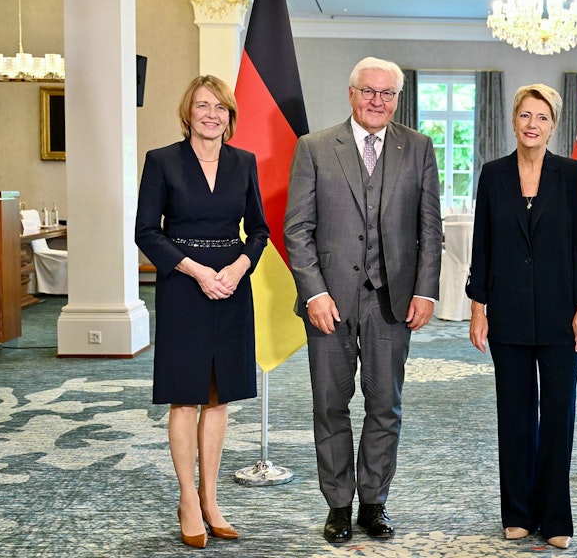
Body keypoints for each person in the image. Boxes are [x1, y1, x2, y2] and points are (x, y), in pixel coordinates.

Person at [284, 56, 441, 544]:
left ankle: (374, 502)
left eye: (388, 93)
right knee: (330, 405)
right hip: (327, 303)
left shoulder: (417, 147)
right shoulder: (313, 147)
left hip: (391, 303)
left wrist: (424, 290)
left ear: (398, 98)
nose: (378, 101)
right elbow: (298, 230)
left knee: (385, 405)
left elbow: (429, 228)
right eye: (369, 91)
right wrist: (314, 293)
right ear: (351, 94)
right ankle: (338, 505)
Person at [135, 75, 269, 548]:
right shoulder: (162, 162)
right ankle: (187, 499)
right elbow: (147, 232)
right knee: (185, 395)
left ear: (230, 117)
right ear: (187, 113)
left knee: (219, 396)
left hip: (231, 286)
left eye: (221, 108)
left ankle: (211, 499)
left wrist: (238, 267)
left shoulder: (244, 163)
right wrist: (194, 270)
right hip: (184, 285)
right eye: (202, 106)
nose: (212, 114)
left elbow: (258, 230)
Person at [466, 84, 577, 550]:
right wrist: (477, 307)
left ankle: (556, 515)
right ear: (513, 120)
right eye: (525, 115)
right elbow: (482, 244)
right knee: (516, 416)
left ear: (553, 125)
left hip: (562, 316)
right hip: (508, 315)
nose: (531, 124)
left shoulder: (569, 173)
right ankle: (518, 512)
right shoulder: (493, 174)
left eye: (542, 117)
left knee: (558, 414)